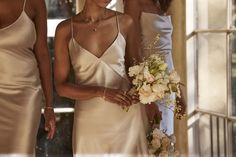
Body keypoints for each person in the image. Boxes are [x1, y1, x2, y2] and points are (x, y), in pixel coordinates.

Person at [54, 0, 148, 155]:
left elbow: (137, 74)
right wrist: (101, 92)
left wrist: (142, 91)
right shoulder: (65, 30)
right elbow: (61, 87)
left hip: (125, 115)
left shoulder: (125, 22)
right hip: (89, 120)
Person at [0, 0, 56, 155]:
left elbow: (43, 54)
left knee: (21, 151)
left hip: (25, 94)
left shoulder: (35, 3)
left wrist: (49, 106)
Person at [124, 0, 186, 135]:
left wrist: (178, 90)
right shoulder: (133, 3)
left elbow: (167, 53)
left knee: (165, 141)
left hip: (167, 86)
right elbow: (131, 52)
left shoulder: (160, 4)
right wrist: (146, 100)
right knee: (150, 139)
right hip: (147, 87)